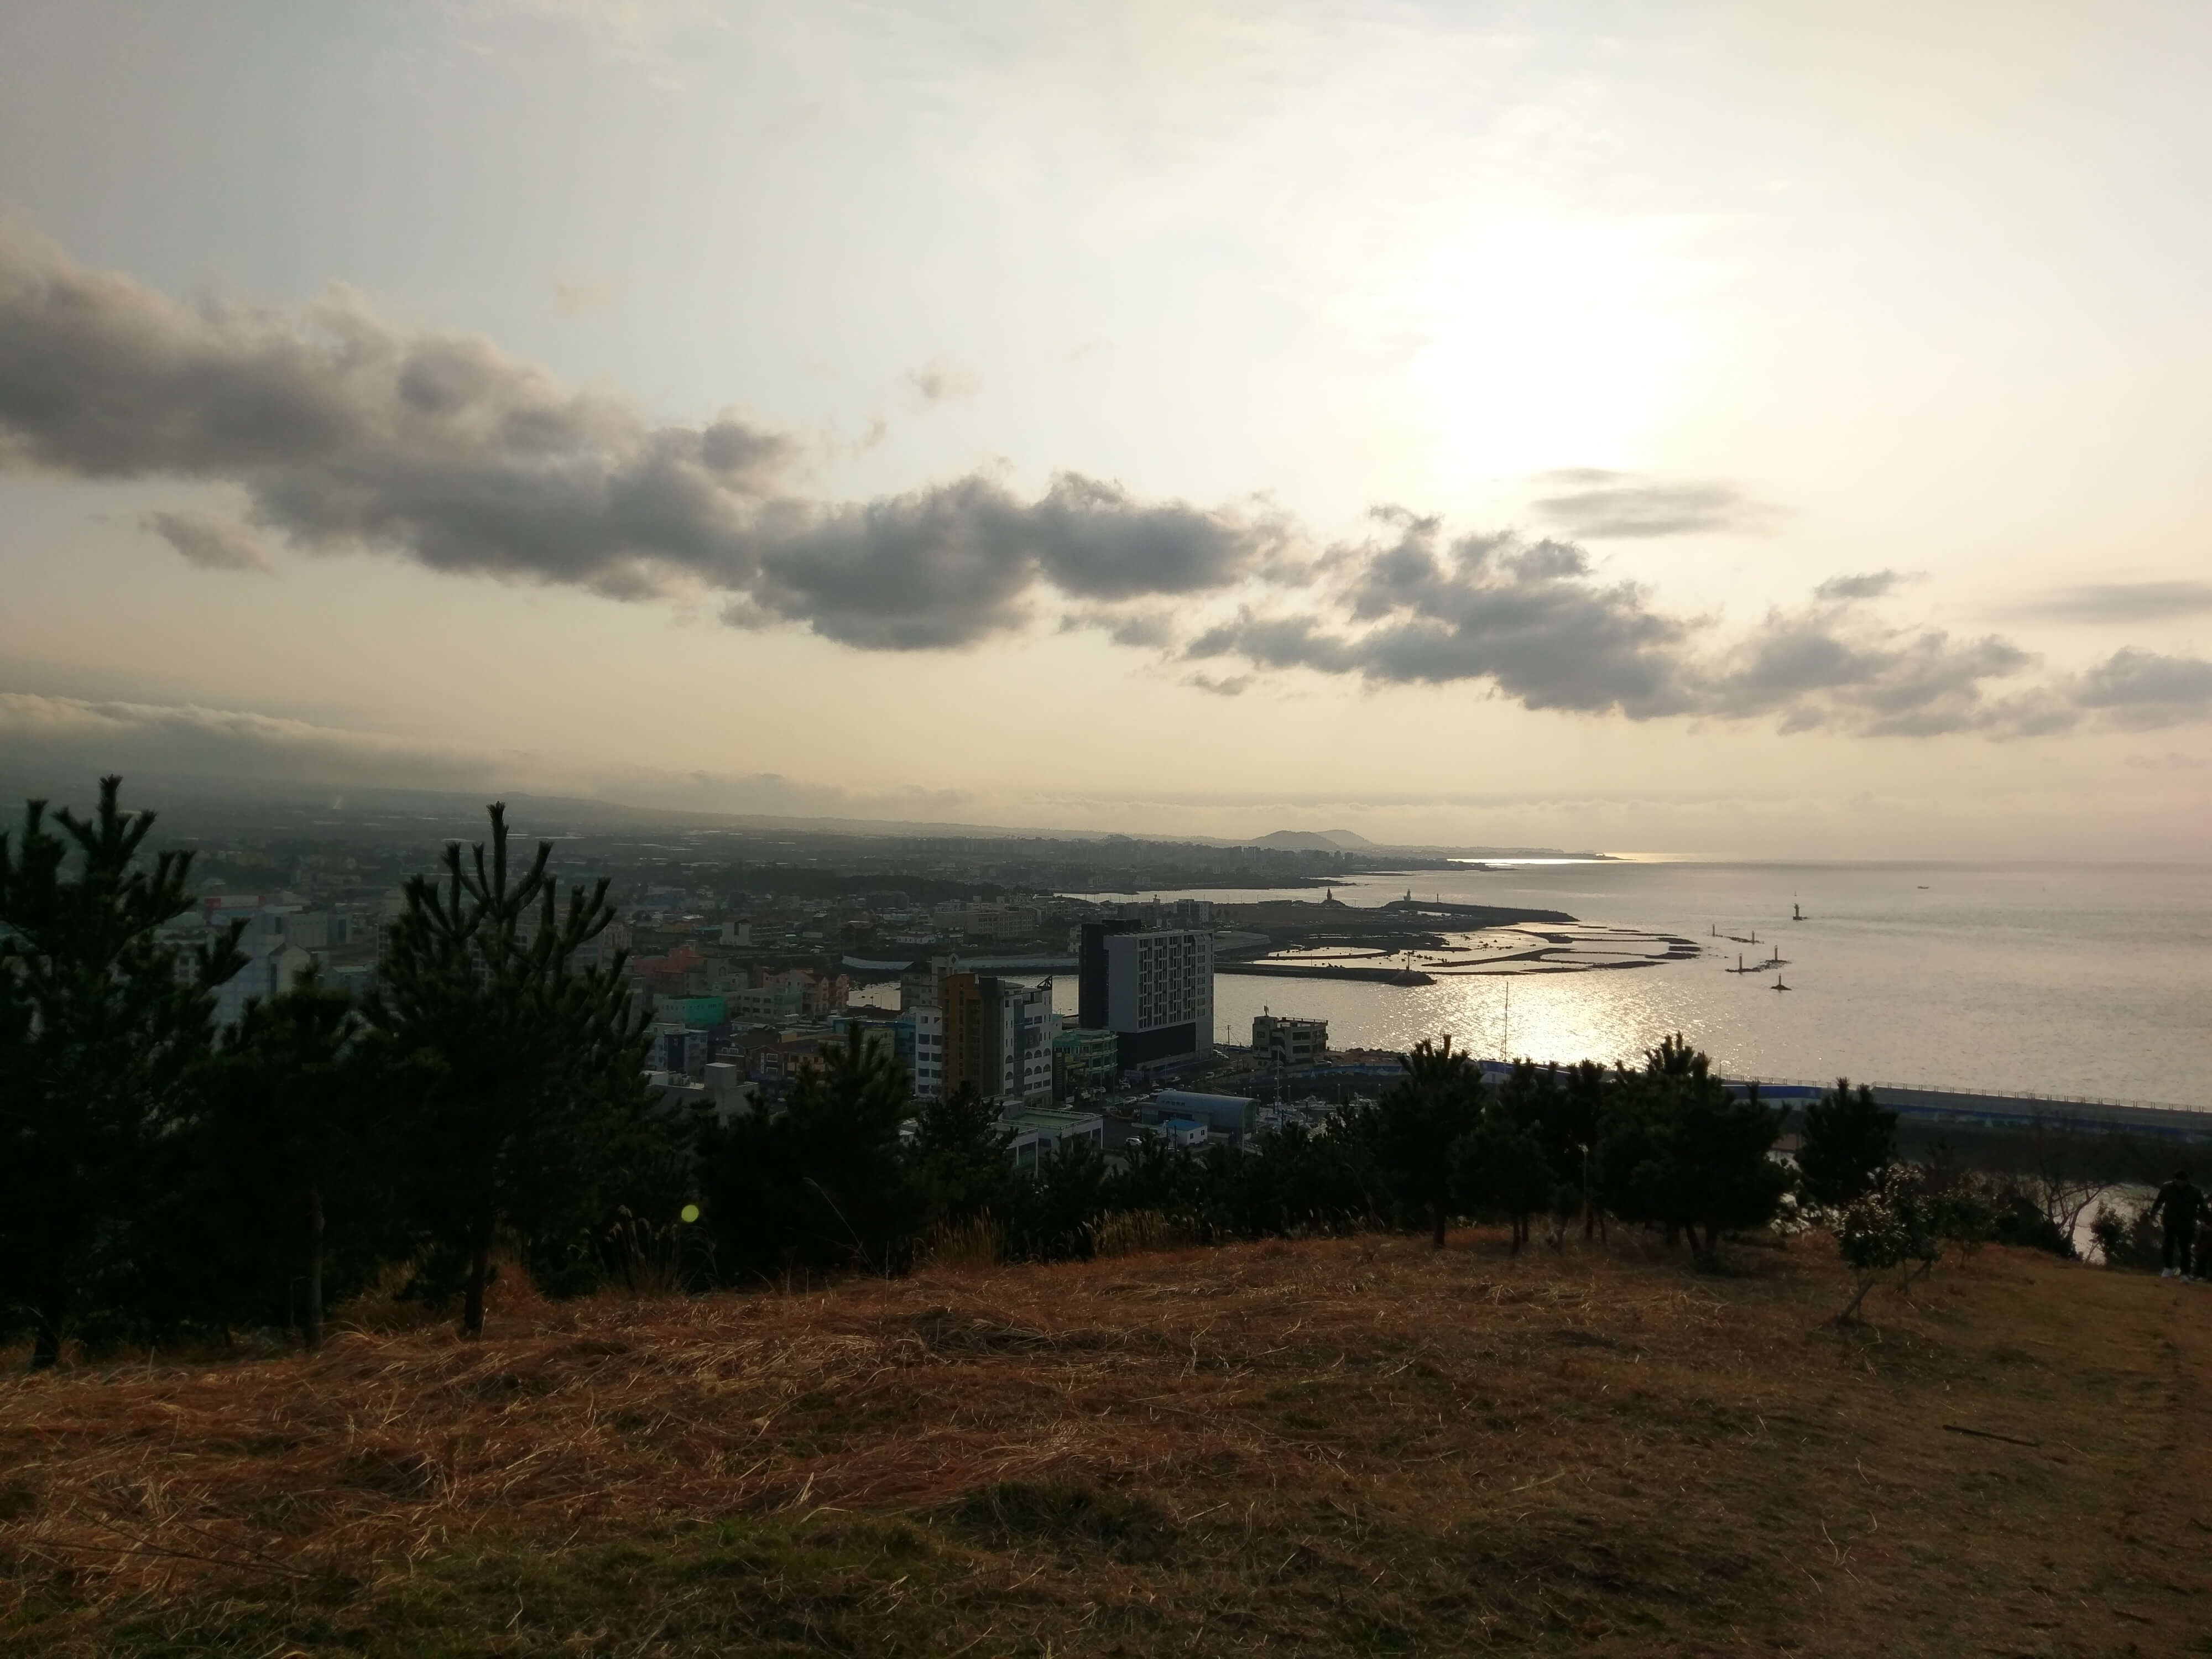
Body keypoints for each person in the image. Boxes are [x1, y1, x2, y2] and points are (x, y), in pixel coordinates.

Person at [2148, 1170, 2206, 1279]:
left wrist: (2207, 1221)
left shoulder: (2195, 1192)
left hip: (2187, 1224)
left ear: (2187, 1181)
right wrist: (2152, 1215)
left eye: (2183, 1182)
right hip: (2170, 1222)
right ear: (2175, 1180)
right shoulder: (2167, 1188)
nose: (2181, 1184)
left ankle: (2185, 1273)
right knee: (2168, 1245)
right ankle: (2168, 1268)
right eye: (2178, 1181)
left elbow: (2203, 1208)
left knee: (2185, 1248)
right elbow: (2159, 1202)